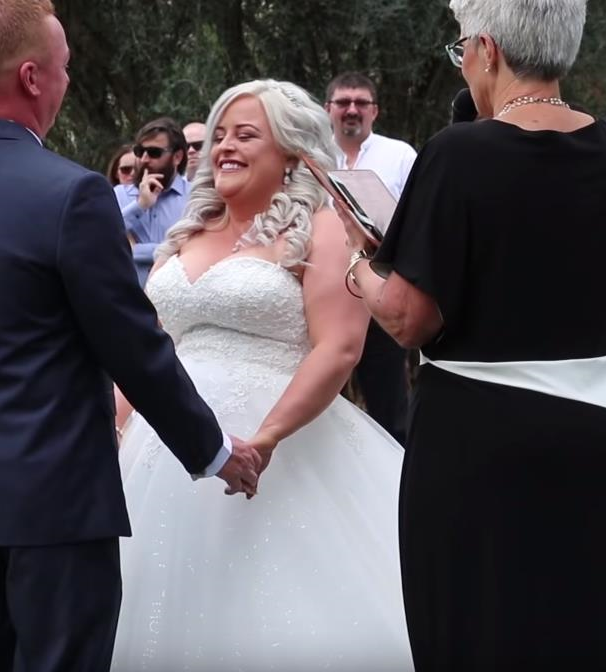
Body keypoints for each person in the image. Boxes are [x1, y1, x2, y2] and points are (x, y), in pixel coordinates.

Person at [0, 1, 260, 669]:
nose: (67, 80)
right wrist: (211, 449)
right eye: (63, 67)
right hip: (55, 501)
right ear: (32, 77)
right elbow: (131, 344)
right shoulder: (71, 195)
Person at [341, 0, 606, 667]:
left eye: (461, 49)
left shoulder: (459, 153)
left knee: (478, 627)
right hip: (589, 433)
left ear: (487, 49)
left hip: (477, 440)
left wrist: (357, 266)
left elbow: (408, 318)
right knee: (578, 625)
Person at [111, 79, 413, 669]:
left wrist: (266, 437)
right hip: (160, 450)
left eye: (246, 135)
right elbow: (146, 348)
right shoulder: (186, 234)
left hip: (281, 448)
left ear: (292, 153)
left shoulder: (323, 228)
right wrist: (115, 425)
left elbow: (339, 347)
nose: (224, 146)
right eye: (219, 134)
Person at [324, 71, 418, 443]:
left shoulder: (400, 156)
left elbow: (416, 219)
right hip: (322, 293)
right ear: (327, 108)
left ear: (374, 111)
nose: (352, 109)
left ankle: (394, 468)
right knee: (325, 402)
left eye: (361, 102)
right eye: (343, 102)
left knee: (389, 404)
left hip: (379, 290)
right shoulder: (312, 156)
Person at [113, 117, 189, 284]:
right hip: (129, 296)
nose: (144, 159)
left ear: (177, 157)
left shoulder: (193, 197)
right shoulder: (119, 194)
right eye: (140, 151)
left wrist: (135, 250)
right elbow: (105, 237)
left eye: (154, 152)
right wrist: (140, 205)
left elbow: (193, 250)